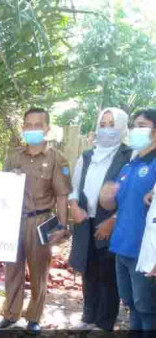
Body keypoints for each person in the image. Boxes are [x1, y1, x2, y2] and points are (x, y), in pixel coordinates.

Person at [0, 108, 71, 334]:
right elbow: (0, 190)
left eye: (38, 124)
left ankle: (34, 317)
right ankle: (11, 314)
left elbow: (61, 195)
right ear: (23, 128)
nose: (32, 129)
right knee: (12, 269)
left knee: (39, 271)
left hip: (40, 220)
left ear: (47, 128)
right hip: (13, 220)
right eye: (28, 124)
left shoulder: (56, 158)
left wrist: (62, 225)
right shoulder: (13, 158)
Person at [68, 108, 131, 331]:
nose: (107, 129)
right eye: (102, 124)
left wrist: (113, 220)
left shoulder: (129, 156)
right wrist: (73, 205)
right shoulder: (87, 156)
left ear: (122, 126)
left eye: (112, 124)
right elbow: (74, 188)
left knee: (108, 272)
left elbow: (131, 196)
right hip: (86, 221)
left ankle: (105, 322)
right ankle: (88, 315)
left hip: (113, 223)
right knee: (88, 268)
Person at [100, 109, 156, 331]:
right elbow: (116, 205)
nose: (134, 130)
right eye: (133, 126)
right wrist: (106, 197)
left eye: (141, 125)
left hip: (145, 252)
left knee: (147, 307)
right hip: (122, 246)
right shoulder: (129, 165)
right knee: (131, 304)